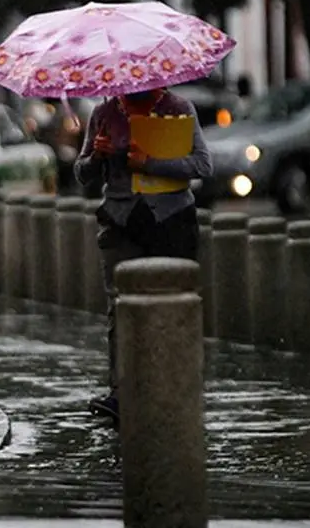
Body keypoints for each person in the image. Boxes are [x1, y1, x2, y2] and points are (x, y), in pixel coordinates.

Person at [73, 86, 213, 423]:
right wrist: (97, 156)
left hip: (171, 220)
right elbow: (81, 173)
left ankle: (174, 386)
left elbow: (203, 165)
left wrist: (151, 163)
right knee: (119, 308)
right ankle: (122, 391)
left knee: (173, 307)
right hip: (120, 221)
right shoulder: (104, 113)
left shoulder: (179, 108)